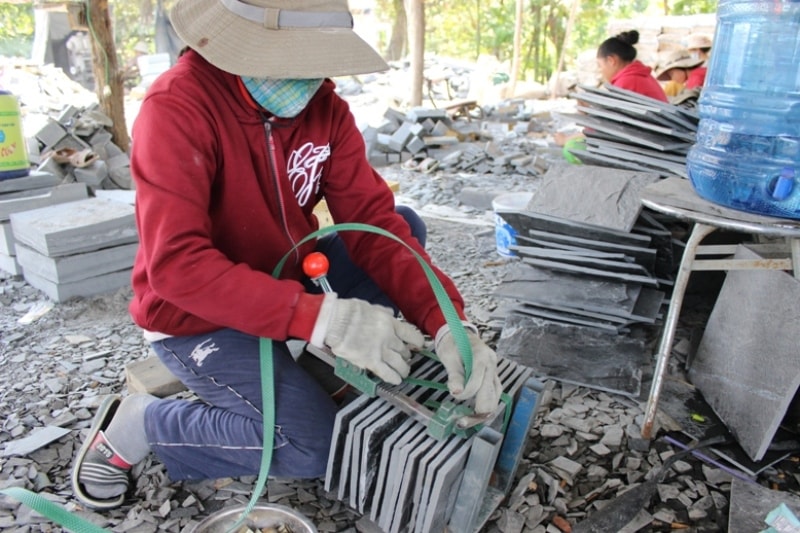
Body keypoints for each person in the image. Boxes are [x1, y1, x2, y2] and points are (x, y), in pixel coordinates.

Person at [71, 0, 502, 510]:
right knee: (313, 445)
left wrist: (448, 321)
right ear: (238, 42)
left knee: (404, 224)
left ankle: (319, 363)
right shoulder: (178, 107)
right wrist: (326, 321)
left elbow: (376, 223)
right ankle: (144, 424)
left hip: (287, 284)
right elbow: (176, 268)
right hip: (199, 315)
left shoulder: (325, 109)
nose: (311, 80)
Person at [596, 30, 668, 103]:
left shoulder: (626, 83)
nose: (600, 70)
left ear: (611, 60)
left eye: (600, 65)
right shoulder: (640, 76)